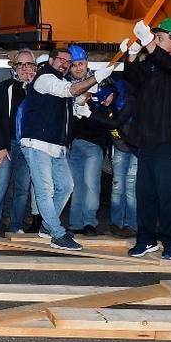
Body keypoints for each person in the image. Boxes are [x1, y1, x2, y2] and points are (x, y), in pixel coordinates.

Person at [15, 46, 104, 251]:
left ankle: (48, 227)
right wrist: (96, 78)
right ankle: (57, 233)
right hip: (37, 143)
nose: (65, 64)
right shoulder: (45, 77)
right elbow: (68, 91)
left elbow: (68, 99)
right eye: (61, 60)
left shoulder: (61, 80)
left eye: (68, 62)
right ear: (52, 60)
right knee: (45, 190)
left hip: (57, 145)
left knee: (66, 186)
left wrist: (79, 107)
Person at [123, 17, 171, 261]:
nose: (155, 41)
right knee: (146, 194)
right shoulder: (154, 62)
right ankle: (146, 240)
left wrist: (148, 43)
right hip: (149, 140)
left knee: (170, 195)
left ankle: (170, 242)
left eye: (160, 37)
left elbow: (169, 64)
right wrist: (131, 55)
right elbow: (134, 78)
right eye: (155, 37)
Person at [0, 49, 36, 238]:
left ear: (35, 67)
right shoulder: (5, 87)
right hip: (7, 145)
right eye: (20, 65)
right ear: (14, 68)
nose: (24, 68)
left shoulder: (39, 89)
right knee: (1, 183)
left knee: (22, 188)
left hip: (29, 148)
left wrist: (31, 87)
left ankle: (16, 225)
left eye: (29, 64)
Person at [88, 73, 137, 237]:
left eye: (104, 97)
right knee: (117, 187)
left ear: (111, 91)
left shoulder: (127, 101)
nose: (103, 102)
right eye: (100, 100)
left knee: (130, 188)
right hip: (119, 148)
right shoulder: (105, 105)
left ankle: (132, 225)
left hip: (135, 149)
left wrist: (90, 114)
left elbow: (116, 123)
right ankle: (116, 224)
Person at [65, 46, 103, 236]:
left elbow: (108, 107)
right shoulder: (65, 85)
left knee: (90, 183)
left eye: (81, 64)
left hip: (93, 142)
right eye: (74, 65)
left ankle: (89, 222)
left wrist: (92, 107)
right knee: (76, 185)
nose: (78, 68)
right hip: (73, 143)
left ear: (87, 63)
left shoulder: (101, 80)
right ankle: (75, 223)